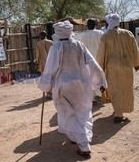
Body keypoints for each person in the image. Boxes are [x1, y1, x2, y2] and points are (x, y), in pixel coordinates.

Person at [38, 20, 107, 158]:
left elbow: (48, 69)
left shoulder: (56, 48)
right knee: (82, 112)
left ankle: (84, 145)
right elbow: (92, 63)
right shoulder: (79, 45)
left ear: (57, 33)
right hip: (82, 85)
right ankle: (76, 137)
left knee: (67, 112)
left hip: (63, 87)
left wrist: (45, 85)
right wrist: (100, 81)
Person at [96, 14, 139, 123]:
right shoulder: (128, 34)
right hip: (127, 66)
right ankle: (119, 111)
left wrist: (98, 68)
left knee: (115, 89)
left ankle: (118, 115)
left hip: (112, 67)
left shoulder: (105, 36)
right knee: (125, 88)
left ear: (109, 23)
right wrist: (137, 64)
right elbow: (135, 49)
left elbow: (101, 54)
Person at [80, 18, 104, 105]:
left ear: (87, 25)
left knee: (90, 79)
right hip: (99, 59)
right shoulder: (100, 33)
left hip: (89, 60)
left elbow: (82, 49)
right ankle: (99, 94)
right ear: (95, 25)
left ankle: (92, 99)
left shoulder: (83, 35)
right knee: (100, 77)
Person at [35, 31, 53, 99]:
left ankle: (48, 93)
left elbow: (37, 54)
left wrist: (37, 62)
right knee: (52, 77)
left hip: (43, 63)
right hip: (51, 62)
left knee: (45, 78)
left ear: (41, 36)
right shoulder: (51, 42)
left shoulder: (39, 43)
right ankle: (52, 92)